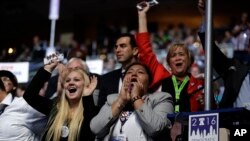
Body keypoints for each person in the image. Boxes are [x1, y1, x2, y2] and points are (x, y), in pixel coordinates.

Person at [136, 2, 205, 112]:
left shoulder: (200, 84)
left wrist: (205, 103)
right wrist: (142, 15)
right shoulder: (162, 76)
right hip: (164, 127)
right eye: (173, 55)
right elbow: (145, 51)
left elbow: (213, 111)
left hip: (190, 128)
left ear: (189, 61)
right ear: (168, 62)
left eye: (181, 54)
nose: (177, 58)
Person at [90, 62, 173, 141]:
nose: (133, 74)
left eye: (140, 72)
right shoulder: (112, 99)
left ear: (149, 83)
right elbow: (95, 129)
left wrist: (136, 97)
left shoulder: (162, 98)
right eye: (129, 72)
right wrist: (120, 101)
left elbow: (156, 129)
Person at [23, 60, 97, 141]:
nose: (71, 83)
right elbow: (29, 95)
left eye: (76, 80)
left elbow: (89, 135)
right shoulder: (55, 106)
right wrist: (47, 69)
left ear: (85, 85)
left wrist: (87, 97)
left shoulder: (92, 110)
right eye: (67, 80)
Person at [198, 0, 250, 109]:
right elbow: (211, 50)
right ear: (248, 49)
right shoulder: (235, 70)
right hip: (235, 124)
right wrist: (205, 16)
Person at [0, 70, 47, 141]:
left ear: (14, 86)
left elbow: (52, 119)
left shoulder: (23, 103)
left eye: (5, 79)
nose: (2, 82)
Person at [97, 33, 139, 108]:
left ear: (135, 50)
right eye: (116, 47)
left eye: (123, 46)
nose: (117, 50)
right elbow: (100, 111)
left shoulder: (145, 75)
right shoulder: (106, 79)